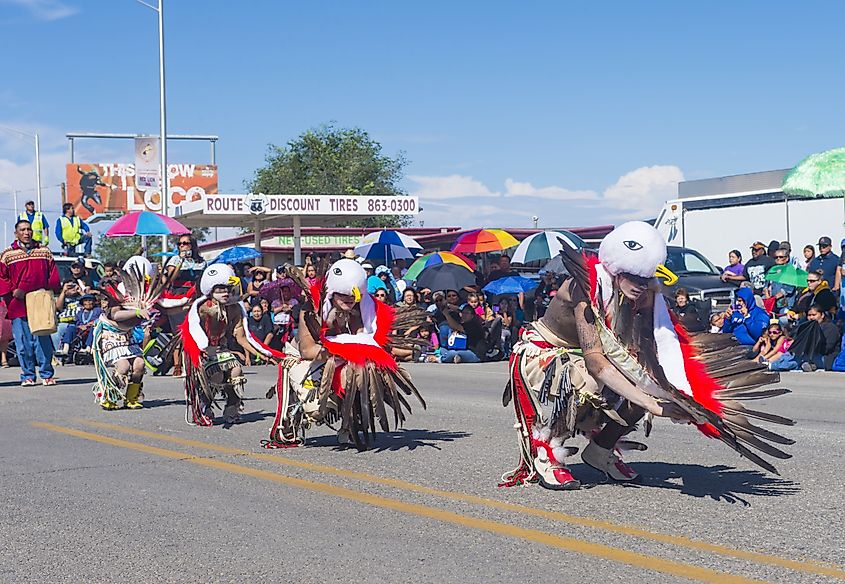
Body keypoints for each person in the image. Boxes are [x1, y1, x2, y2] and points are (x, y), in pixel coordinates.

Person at [501, 221, 793, 491]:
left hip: (593, 355)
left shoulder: (645, 292)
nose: (640, 285)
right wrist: (654, 406)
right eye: (634, 277)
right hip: (548, 355)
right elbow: (596, 361)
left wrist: (683, 399)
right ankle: (548, 451)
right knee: (585, 381)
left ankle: (601, 449)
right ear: (617, 269)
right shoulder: (585, 286)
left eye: (646, 278)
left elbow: (665, 353)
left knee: (652, 381)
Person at [266, 259, 425, 448]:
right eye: (343, 294)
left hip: (335, 357)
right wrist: (343, 353)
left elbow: (367, 341)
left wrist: (402, 351)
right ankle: (291, 410)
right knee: (316, 409)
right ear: (332, 292)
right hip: (305, 357)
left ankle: (350, 422)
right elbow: (308, 350)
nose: (349, 298)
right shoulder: (311, 308)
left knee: (366, 370)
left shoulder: (362, 309)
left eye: (353, 294)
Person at [181, 264, 281, 426]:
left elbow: (242, 337)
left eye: (227, 288)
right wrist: (200, 348)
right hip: (202, 351)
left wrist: (263, 354)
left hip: (222, 349)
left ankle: (232, 408)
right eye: (220, 289)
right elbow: (191, 330)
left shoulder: (234, 309)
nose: (225, 293)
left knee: (236, 371)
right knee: (217, 376)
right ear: (211, 290)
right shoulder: (201, 308)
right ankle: (203, 406)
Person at [91, 257, 160, 410]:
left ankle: (131, 397)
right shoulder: (118, 289)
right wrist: (137, 312)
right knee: (123, 367)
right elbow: (115, 315)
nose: (141, 281)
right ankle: (110, 395)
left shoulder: (146, 292)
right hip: (111, 333)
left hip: (127, 334)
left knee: (139, 364)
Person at [0, 220, 61, 386]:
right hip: (18, 304)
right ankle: (27, 375)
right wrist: (13, 292)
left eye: (28, 229)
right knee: (23, 342)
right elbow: (2, 277)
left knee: (43, 340)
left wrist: (47, 289)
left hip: (40, 302)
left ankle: (46, 374)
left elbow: (53, 276)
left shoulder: (44, 251)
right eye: (22, 230)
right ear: (16, 233)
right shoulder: (7, 254)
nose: (26, 232)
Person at [160, 234, 207, 378]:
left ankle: (192, 362)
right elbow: (170, 279)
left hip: (195, 296)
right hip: (178, 296)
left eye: (185, 243)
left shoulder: (201, 262)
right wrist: (180, 261)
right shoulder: (174, 259)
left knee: (193, 330)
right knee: (179, 332)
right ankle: (177, 365)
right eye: (180, 243)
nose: (182, 246)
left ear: (192, 245)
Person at [54, 280, 83, 356]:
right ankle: (58, 354)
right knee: (56, 331)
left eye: (73, 286)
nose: (72, 289)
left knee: (68, 327)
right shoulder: (62, 298)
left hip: (75, 322)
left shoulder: (81, 298)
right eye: (69, 287)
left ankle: (63, 353)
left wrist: (80, 291)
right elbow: (58, 307)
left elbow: (89, 303)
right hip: (62, 322)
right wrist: (64, 292)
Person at [764, 250, 796, 315]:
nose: (778, 259)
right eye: (776, 257)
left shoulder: (790, 270)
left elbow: (790, 287)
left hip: (785, 303)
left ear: (787, 258)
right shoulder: (772, 270)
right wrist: (766, 292)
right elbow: (766, 283)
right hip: (772, 302)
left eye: (781, 257)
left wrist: (778, 295)